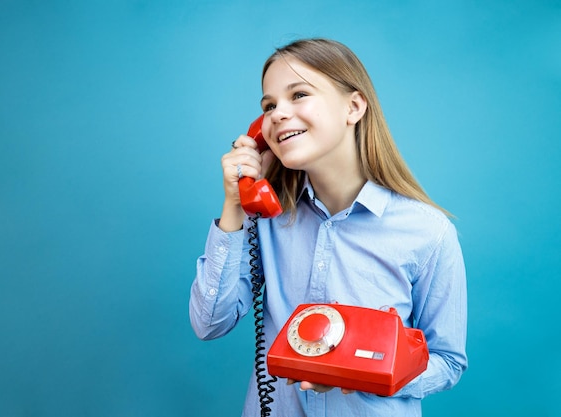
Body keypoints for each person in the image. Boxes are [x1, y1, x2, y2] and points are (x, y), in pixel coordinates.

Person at [189, 38, 467, 417]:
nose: (277, 115)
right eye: (268, 106)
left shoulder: (427, 232)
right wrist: (235, 204)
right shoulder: (265, 221)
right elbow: (209, 324)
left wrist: (360, 374)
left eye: (298, 94)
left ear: (353, 107)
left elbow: (447, 362)